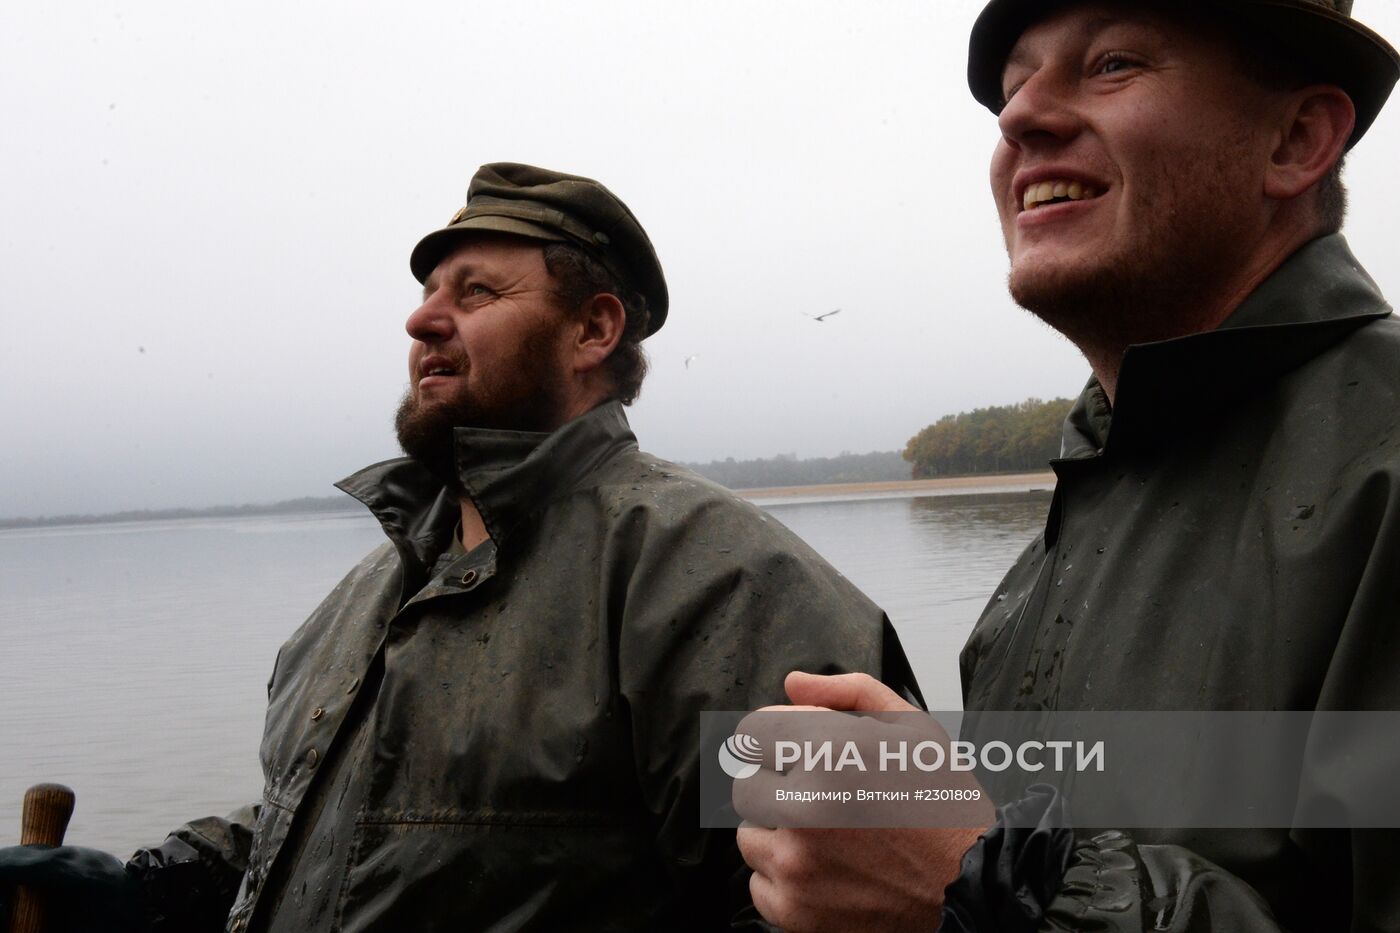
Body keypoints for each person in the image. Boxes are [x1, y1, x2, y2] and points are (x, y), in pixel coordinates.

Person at [0, 163, 920, 932]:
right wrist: (160, 885)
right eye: (426, 293)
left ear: (593, 329)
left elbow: (885, 888)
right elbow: (349, 832)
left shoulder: (723, 580)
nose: (423, 320)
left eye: (475, 291)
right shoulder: (362, 598)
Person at [737, 1, 1400, 930]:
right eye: (1014, 87)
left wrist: (981, 883)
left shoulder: (1380, 471)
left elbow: (978, 877)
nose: (1018, 116)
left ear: (1296, 140)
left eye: (1113, 63)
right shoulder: (1049, 553)